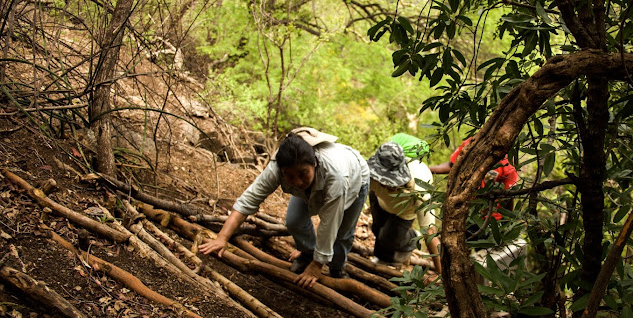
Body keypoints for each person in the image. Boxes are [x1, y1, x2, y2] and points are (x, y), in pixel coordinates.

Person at [198, 127, 369, 289]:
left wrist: (317, 265)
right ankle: (307, 253)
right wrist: (222, 237)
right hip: (318, 183)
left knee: (342, 233)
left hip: (355, 178)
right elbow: (248, 200)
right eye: (290, 176)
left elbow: (330, 222)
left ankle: (337, 268)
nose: (298, 182)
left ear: (315, 163)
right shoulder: (276, 168)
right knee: (294, 221)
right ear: (282, 171)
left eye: (303, 173)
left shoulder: (336, 177)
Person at [367, 142, 442, 274]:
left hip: (403, 212)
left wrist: (441, 273)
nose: (384, 184)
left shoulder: (420, 190)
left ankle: (411, 237)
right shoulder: (369, 173)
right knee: (377, 229)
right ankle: (382, 257)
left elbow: (430, 232)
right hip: (379, 200)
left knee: (387, 239)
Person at [429, 136, 518, 219]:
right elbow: (453, 165)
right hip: (465, 212)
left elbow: (508, 196)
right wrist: (426, 169)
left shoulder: (507, 163)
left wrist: (507, 220)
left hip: (490, 218)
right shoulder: (471, 144)